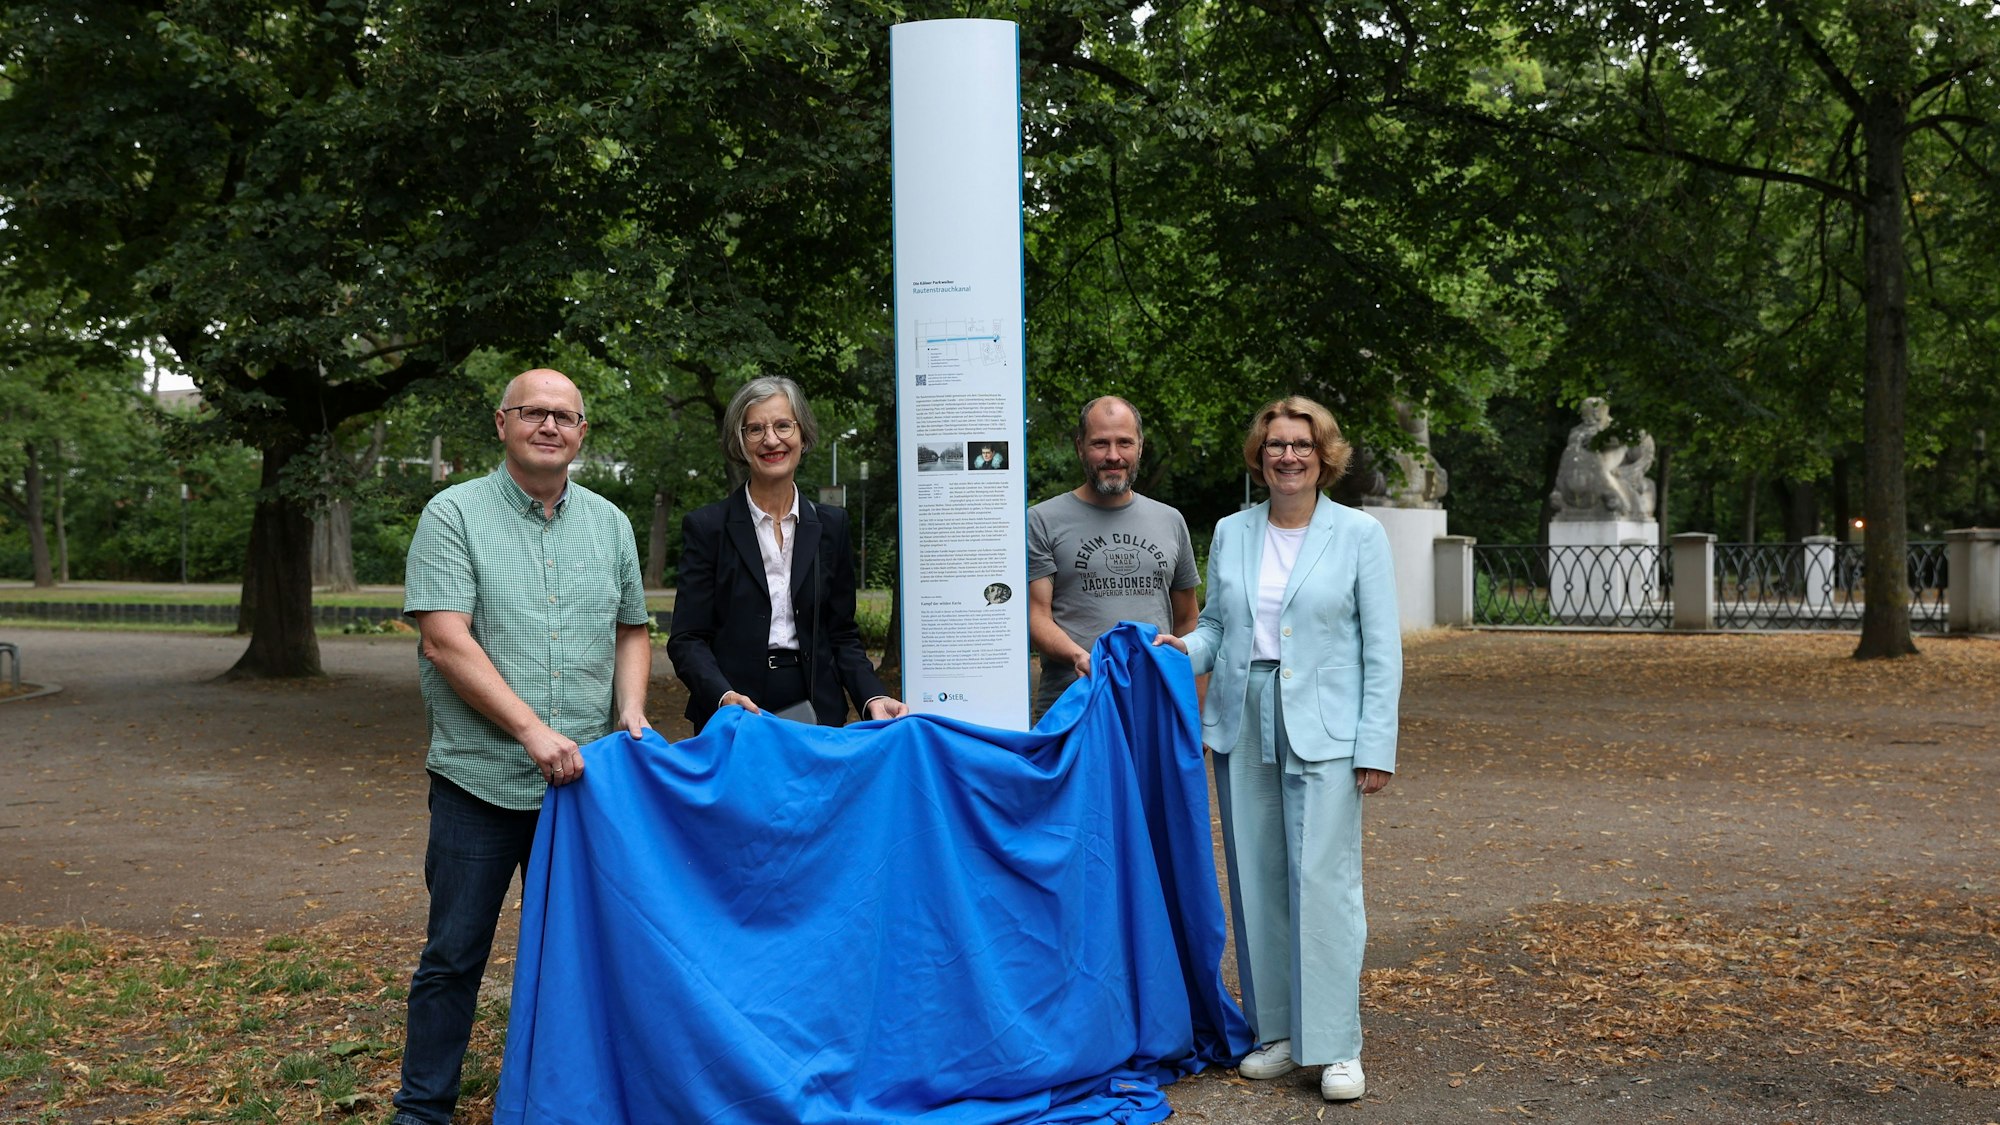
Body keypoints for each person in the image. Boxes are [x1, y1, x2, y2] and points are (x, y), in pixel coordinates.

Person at [392, 369, 653, 1125]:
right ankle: (423, 1108)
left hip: (582, 788)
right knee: (453, 956)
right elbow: (445, 640)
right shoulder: (453, 513)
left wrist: (630, 709)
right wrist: (532, 730)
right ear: (502, 422)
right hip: (480, 784)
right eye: (534, 412)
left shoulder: (610, 523)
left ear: (581, 432)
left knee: (587, 957)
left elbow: (633, 627)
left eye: (565, 416)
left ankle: (581, 1101)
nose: (549, 425)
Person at [1154, 395, 1401, 1102]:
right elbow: (1221, 629)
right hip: (1244, 716)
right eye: (1274, 445)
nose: (1287, 456)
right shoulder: (1233, 531)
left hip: (1326, 726)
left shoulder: (1359, 534)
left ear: (1324, 456)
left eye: (1300, 444)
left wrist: (1374, 742)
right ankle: (1279, 1033)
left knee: (1323, 882)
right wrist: (1179, 651)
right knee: (1258, 881)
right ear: (1258, 457)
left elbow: (1382, 650)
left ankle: (1337, 1044)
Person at [669, 376, 908, 728]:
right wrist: (722, 697)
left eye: (783, 425)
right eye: (755, 429)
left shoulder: (832, 525)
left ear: (803, 434)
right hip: (734, 713)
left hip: (816, 711)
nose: (771, 440)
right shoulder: (708, 528)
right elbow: (688, 639)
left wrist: (873, 695)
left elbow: (841, 634)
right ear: (740, 441)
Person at [1026, 396, 1199, 719]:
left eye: (1124, 443)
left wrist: (1196, 710)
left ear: (1141, 447)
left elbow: (1188, 619)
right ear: (1080, 447)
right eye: (1100, 444)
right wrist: (1080, 657)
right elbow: (1036, 615)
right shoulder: (1041, 520)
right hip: (1073, 704)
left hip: (1155, 705)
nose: (1113, 456)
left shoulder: (1170, 520)